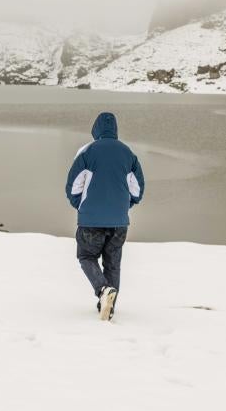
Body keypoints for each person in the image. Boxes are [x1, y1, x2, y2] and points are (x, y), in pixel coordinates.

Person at [65, 112, 145, 320]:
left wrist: (81, 206)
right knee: (113, 264)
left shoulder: (87, 151)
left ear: (96, 129)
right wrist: (124, 207)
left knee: (86, 256)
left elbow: (73, 187)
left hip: (90, 220)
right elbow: (137, 190)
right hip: (119, 222)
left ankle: (102, 290)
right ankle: (109, 307)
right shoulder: (128, 153)